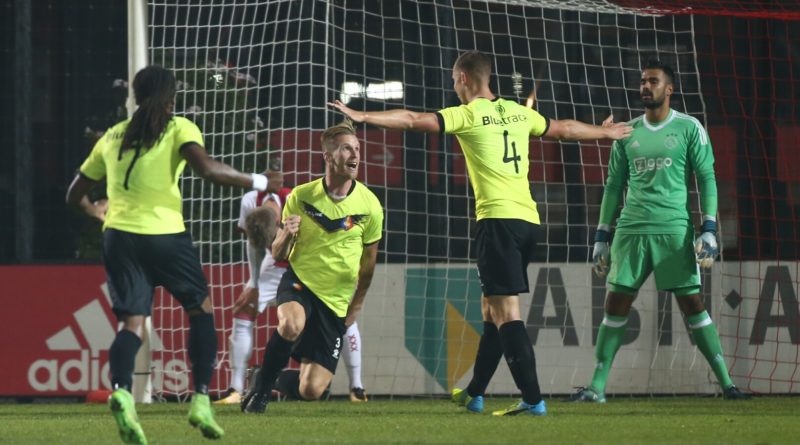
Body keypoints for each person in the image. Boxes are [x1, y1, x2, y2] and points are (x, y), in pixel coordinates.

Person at [328, 50, 631, 416]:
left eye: (455, 79)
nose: (454, 86)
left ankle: (533, 399)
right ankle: (475, 393)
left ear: (464, 79)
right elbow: (564, 129)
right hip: (527, 221)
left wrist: (362, 115)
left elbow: (411, 119)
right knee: (490, 310)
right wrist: (604, 131)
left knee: (506, 313)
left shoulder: (469, 114)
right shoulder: (519, 113)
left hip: (498, 223)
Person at [66, 65, 281, 444]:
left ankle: (121, 392)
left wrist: (94, 209)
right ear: (170, 98)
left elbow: (74, 194)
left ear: (135, 96)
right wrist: (258, 180)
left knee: (132, 324)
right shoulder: (179, 126)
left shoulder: (113, 136)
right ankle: (200, 399)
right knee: (200, 309)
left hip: (118, 237)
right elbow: (208, 170)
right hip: (165, 235)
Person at [568, 59, 751, 403]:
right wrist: (601, 236)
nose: (645, 86)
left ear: (669, 89)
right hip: (631, 231)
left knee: (692, 304)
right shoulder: (626, 131)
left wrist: (709, 229)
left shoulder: (689, 128)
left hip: (673, 231)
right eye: (642, 81)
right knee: (615, 302)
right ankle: (596, 388)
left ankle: (727, 384)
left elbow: (707, 178)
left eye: (653, 81)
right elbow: (612, 187)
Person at [240, 119, 383, 414]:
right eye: (347, 149)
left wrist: (357, 304)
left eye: (357, 148)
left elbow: (368, 265)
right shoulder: (301, 197)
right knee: (291, 324)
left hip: (336, 300)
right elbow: (280, 252)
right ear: (329, 157)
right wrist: (287, 234)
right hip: (300, 283)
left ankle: (264, 375)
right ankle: (262, 393)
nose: (355, 155)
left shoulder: (370, 205)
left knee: (311, 390)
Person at [216, 176, 370, 404]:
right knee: (245, 310)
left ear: (280, 219)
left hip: (307, 266)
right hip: (273, 265)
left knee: (346, 316)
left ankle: (356, 387)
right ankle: (235, 388)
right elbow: (254, 245)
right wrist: (254, 284)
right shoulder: (250, 200)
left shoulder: (297, 199)